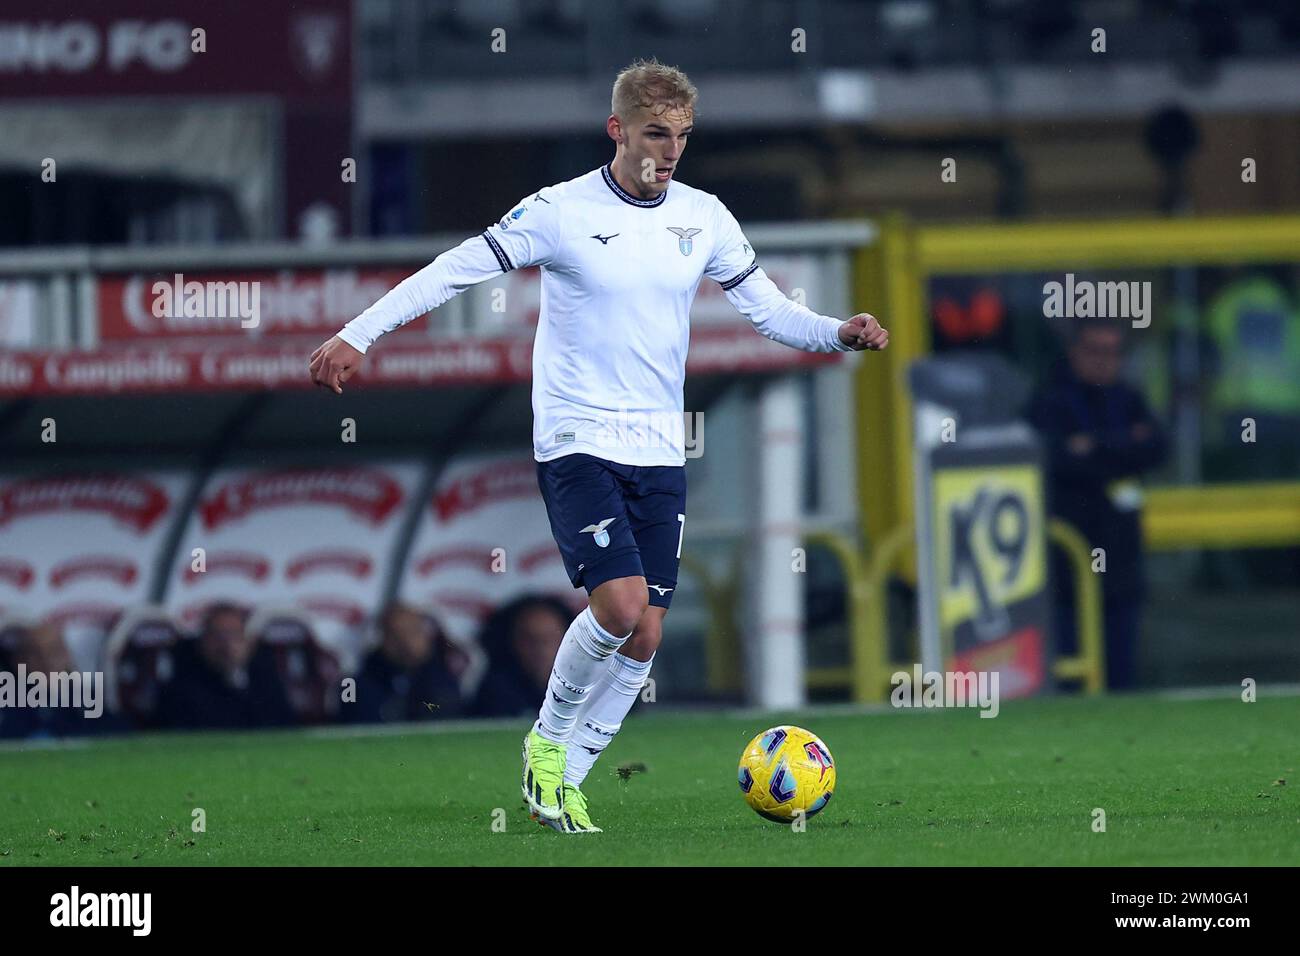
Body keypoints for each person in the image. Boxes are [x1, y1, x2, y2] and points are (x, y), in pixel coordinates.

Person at [309, 59, 888, 832]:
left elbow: (770, 311)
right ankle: (546, 745)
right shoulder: (559, 210)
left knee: (646, 628)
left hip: (658, 446)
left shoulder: (704, 216)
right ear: (617, 130)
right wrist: (358, 333)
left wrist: (837, 334)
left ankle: (571, 778)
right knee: (618, 607)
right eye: (656, 132)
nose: (671, 149)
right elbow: (455, 270)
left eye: (683, 134)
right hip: (577, 437)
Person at [1027, 318, 1169, 690]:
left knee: (1122, 667)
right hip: (1067, 558)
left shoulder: (1129, 397)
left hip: (1121, 556)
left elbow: (1156, 447)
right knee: (1069, 666)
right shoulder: (1051, 400)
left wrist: (1095, 446)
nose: (1104, 361)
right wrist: (1122, 445)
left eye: (1113, 352)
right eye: (1094, 351)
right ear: (1074, 352)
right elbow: (1055, 458)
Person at [156, 602, 296, 731]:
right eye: (217, 636)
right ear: (202, 642)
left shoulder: (267, 682)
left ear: (249, 642)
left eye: (234, 635)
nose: (226, 645)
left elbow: (286, 727)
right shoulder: (181, 689)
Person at [345, 603, 464, 723]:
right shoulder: (356, 684)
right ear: (383, 638)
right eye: (396, 635)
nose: (405, 642)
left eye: (413, 632)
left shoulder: (443, 679)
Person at [471, 595, 574, 719]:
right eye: (529, 639)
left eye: (550, 637)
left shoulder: (589, 688)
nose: (540, 648)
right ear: (510, 641)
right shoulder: (493, 693)